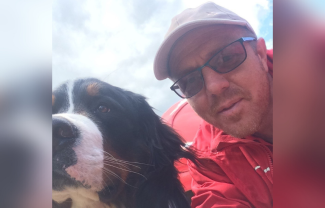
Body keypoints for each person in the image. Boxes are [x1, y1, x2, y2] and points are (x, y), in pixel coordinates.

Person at [154, 2, 273, 208]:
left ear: (260, 55)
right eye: (190, 81)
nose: (214, 87)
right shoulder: (207, 159)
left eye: (226, 58)